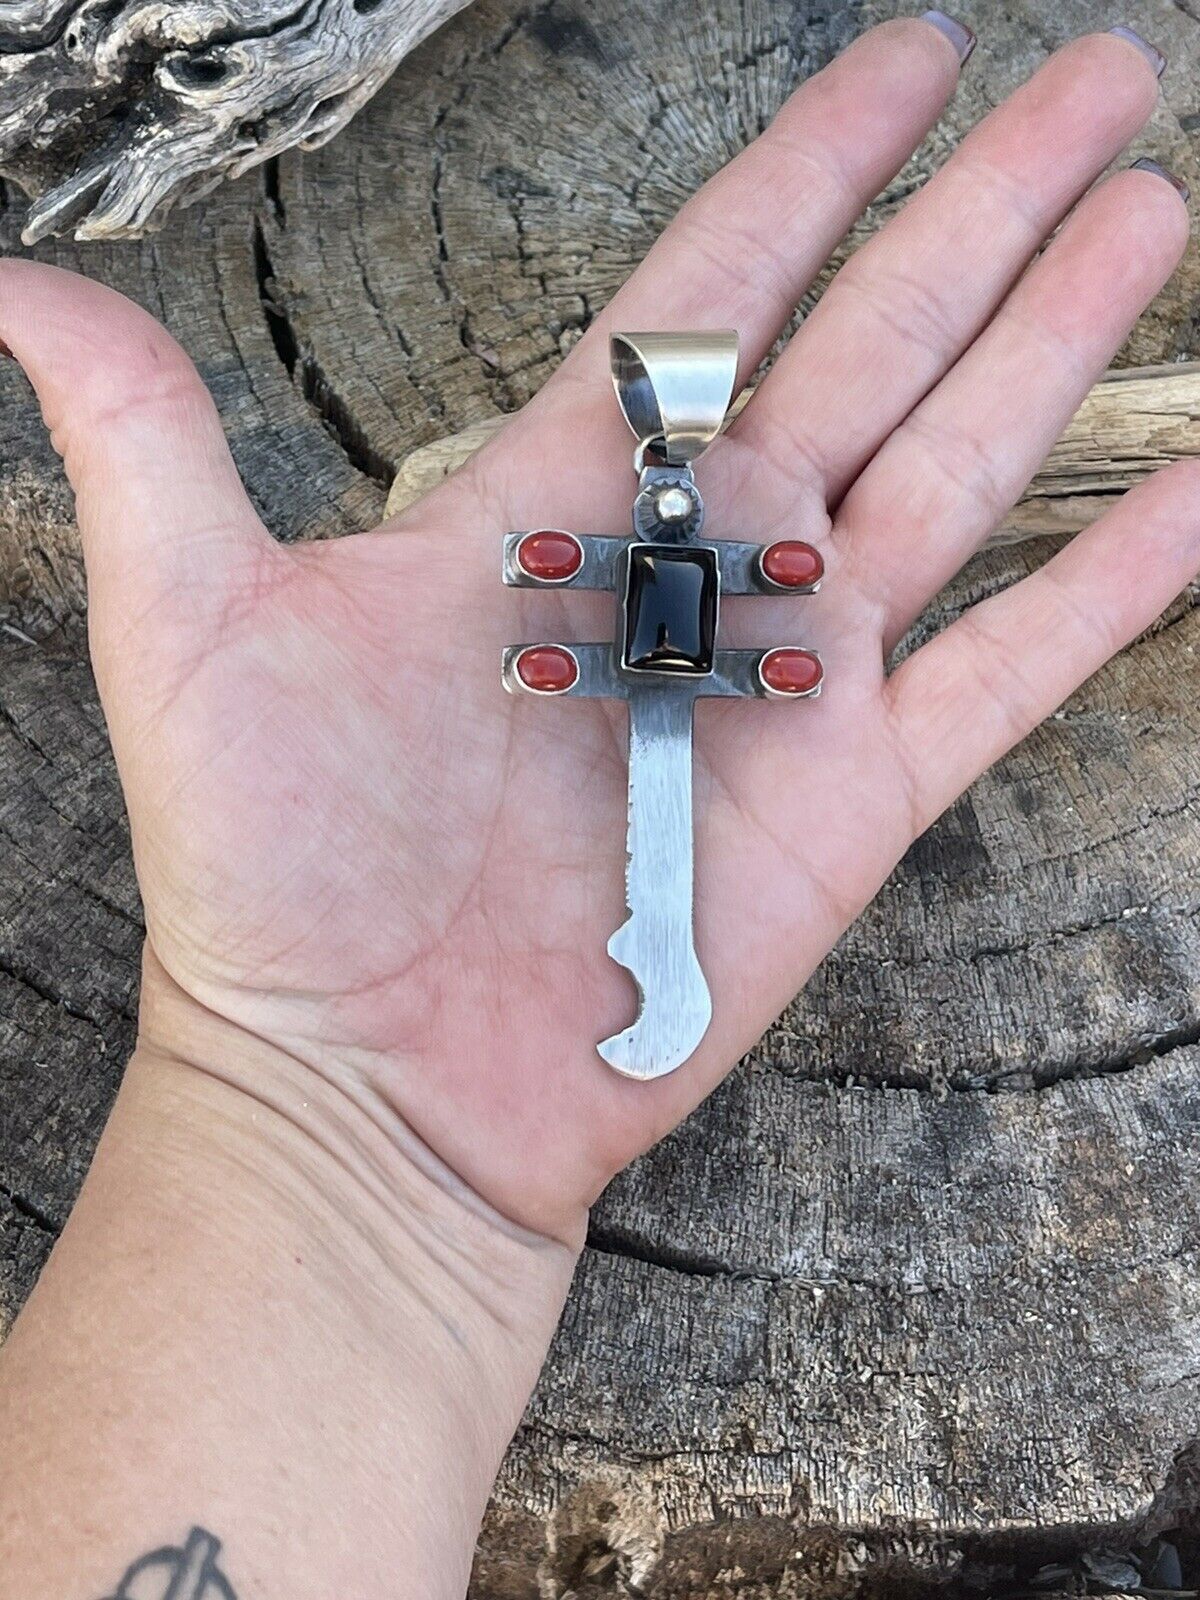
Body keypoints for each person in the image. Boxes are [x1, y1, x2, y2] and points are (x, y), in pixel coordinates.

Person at [0, 12, 1193, 1597]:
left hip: (673, 707)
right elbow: (570, 596)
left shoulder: (690, 549)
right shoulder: (629, 544)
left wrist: (318, 1125)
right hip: (636, 704)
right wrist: (304, 1103)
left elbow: (745, 630)